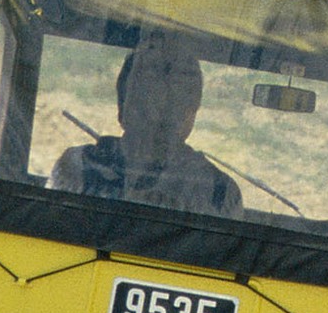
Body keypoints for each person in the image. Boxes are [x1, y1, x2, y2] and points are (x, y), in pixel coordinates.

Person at [50, 35, 241, 216]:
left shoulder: (219, 194)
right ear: (123, 106)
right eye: (146, 95)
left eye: (176, 98)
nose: (160, 109)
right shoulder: (76, 168)